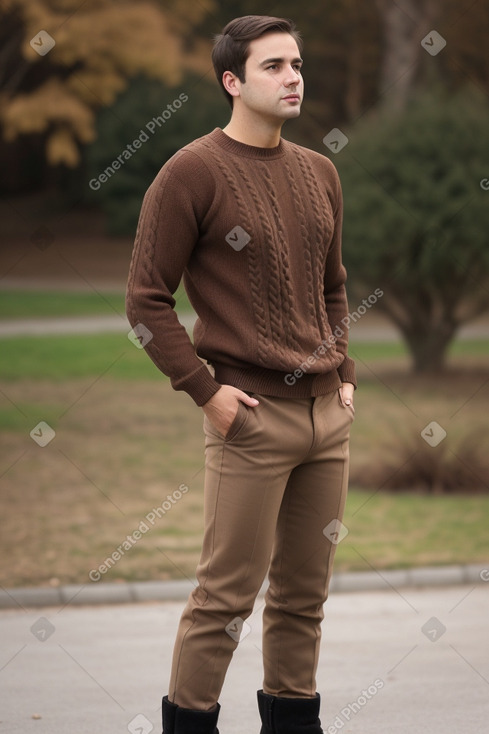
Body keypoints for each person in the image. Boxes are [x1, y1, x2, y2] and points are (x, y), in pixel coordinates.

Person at [126, 14, 356, 734]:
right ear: (232, 81)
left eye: (296, 63)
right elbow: (144, 301)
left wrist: (344, 373)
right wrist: (205, 392)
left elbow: (334, 286)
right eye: (273, 66)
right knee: (224, 600)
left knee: (302, 598)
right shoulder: (190, 172)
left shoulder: (320, 170)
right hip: (249, 418)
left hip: (327, 420)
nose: (292, 77)